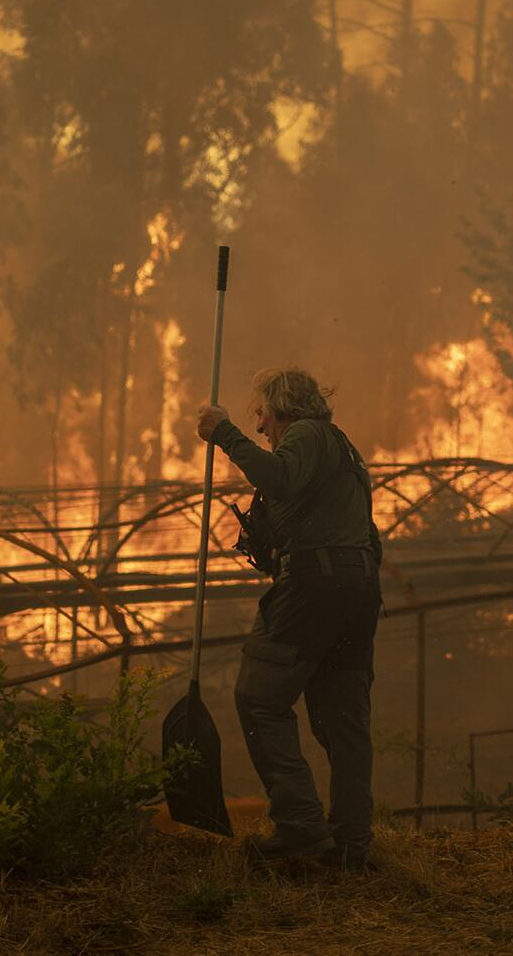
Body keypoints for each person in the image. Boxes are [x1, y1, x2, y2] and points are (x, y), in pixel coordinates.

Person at [197, 366, 381, 869]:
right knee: (343, 720)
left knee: (258, 698)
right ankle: (351, 845)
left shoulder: (304, 434)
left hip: (313, 586)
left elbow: (277, 476)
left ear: (282, 409)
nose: (260, 428)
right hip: (356, 589)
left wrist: (223, 434)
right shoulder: (343, 450)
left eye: (261, 415)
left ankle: (300, 825)